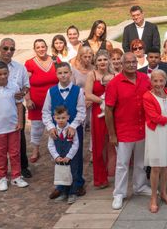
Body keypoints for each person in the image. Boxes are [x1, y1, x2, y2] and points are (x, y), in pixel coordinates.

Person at [105, 52, 152, 210]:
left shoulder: (145, 79)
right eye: (128, 62)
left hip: (142, 128)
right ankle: (119, 193)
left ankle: (139, 186)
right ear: (122, 64)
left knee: (140, 162)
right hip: (124, 130)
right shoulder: (115, 83)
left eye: (134, 62)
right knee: (122, 164)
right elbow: (109, 110)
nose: (132, 64)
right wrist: (112, 134)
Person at [42, 62, 87, 198]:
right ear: (56, 74)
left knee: (76, 157)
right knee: (60, 156)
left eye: (66, 72)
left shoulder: (78, 91)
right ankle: (61, 186)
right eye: (60, 73)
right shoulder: (51, 91)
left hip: (74, 129)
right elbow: (45, 111)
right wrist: (50, 128)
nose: (63, 75)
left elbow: (81, 111)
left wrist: (73, 126)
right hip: (57, 131)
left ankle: (77, 184)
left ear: (70, 73)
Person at [0, 38, 31, 179]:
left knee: (19, 139)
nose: (9, 52)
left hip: (17, 107)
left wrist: (23, 92)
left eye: (12, 49)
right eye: (6, 48)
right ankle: (1, 171)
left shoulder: (20, 67)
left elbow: (27, 85)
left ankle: (22, 167)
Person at [142, 70, 167, 213]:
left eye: (161, 81)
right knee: (156, 166)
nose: (158, 84)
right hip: (156, 133)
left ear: (165, 81)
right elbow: (154, 118)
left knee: (166, 165)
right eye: (155, 81)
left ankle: (163, 193)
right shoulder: (147, 96)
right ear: (151, 81)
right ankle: (153, 197)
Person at [0, 61, 27, 192]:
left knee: (15, 153)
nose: (2, 77)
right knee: (0, 154)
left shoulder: (14, 87)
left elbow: (19, 105)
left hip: (13, 126)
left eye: (5, 73)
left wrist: (20, 122)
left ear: (8, 73)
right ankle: (2, 177)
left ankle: (16, 176)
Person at [25, 39, 58, 163]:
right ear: (35, 49)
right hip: (37, 102)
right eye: (38, 47)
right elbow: (25, 83)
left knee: (55, 125)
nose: (41, 49)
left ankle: (55, 149)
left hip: (55, 101)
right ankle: (35, 150)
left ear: (47, 47)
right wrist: (27, 99)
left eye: (43, 46)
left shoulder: (55, 60)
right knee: (37, 127)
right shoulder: (30, 63)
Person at [85, 50, 115, 189]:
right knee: (99, 145)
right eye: (99, 60)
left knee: (113, 144)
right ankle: (100, 178)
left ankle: (113, 172)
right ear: (95, 62)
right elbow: (88, 94)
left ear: (108, 60)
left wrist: (109, 103)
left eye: (105, 59)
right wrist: (102, 100)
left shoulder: (114, 75)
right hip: (98, 112)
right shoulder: (92, 75)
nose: (102, 62)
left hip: (113, 112)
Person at [47, 106, 79, 202]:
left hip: (71, 158)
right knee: (62, 174)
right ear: (54, 118)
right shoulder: (54, 131)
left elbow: (76, 144)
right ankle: (63, 193)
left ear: (68, 117)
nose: (61, 120)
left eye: (63, 118)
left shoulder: (71, 130)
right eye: (58, 118)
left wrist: (69, 156)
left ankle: (72, 193)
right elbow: (50, 145)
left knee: (73, 174)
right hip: (59, 157)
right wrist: (56, 156)